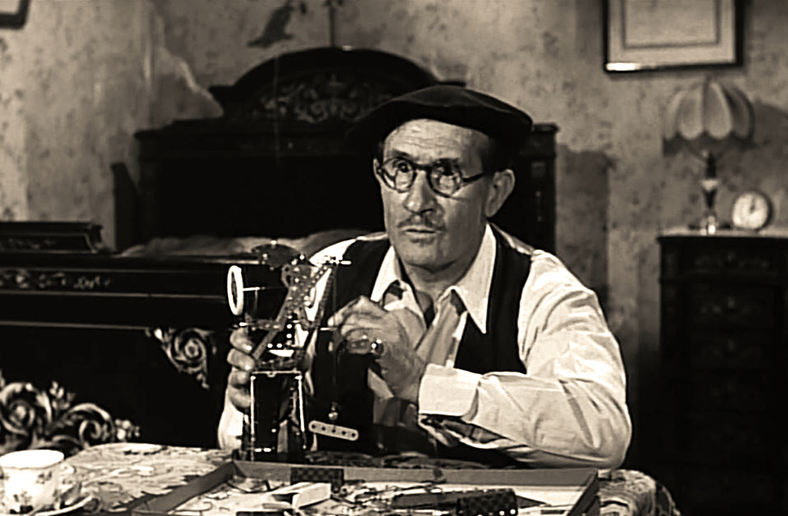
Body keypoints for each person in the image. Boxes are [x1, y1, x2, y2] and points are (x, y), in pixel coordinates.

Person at [219, 84, 630, 468]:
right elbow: (234, 435)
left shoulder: (541, 290)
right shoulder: (327, 272)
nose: (417, 202)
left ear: (495, 192)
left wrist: (421, 382)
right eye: (401, 169)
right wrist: (264, 411)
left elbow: (602, 430)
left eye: (447, 173)